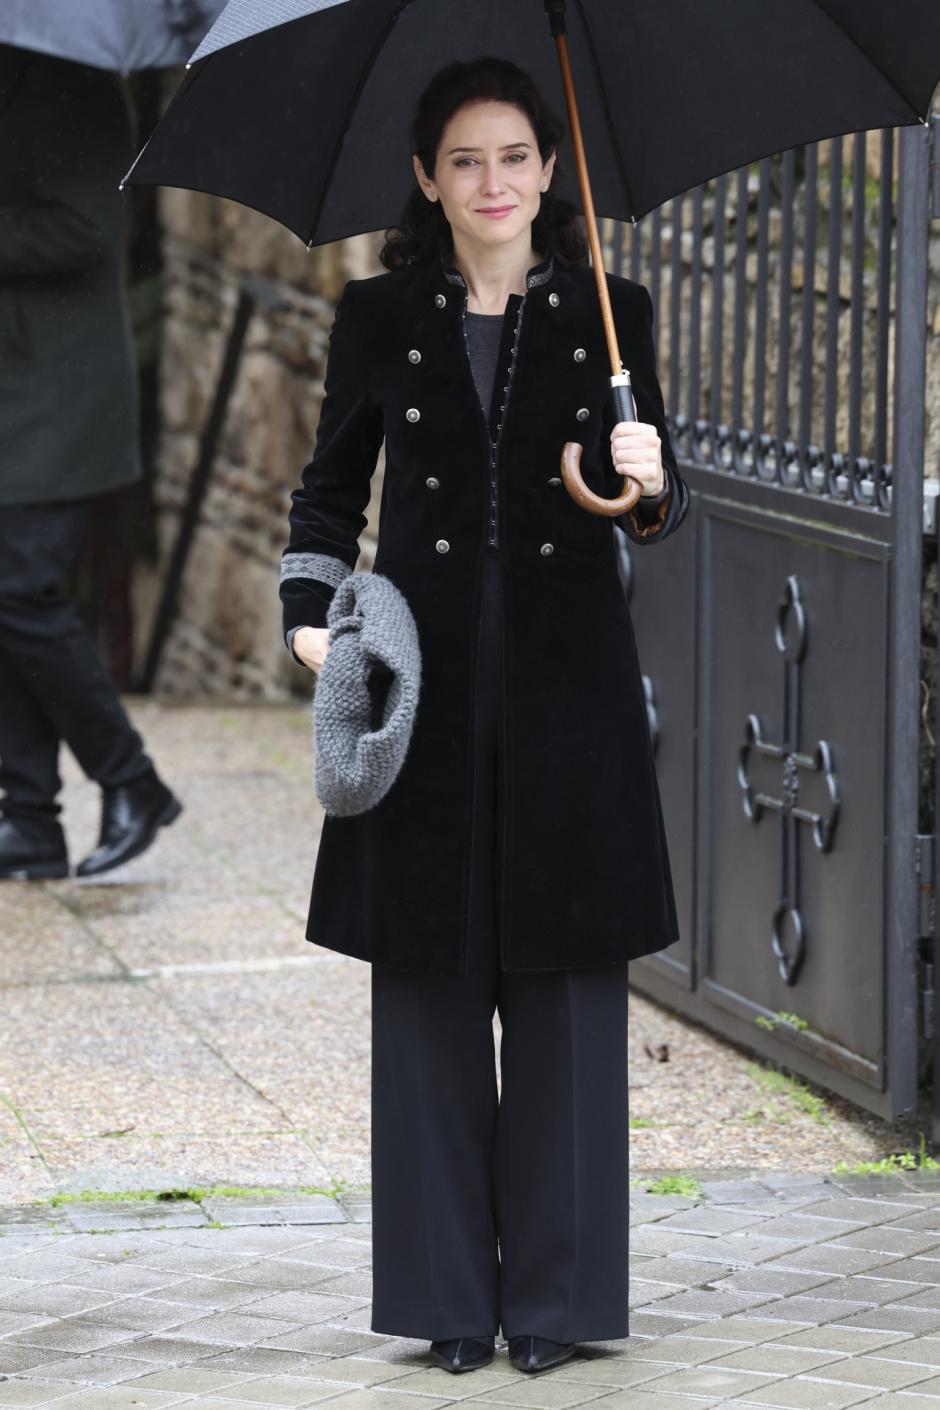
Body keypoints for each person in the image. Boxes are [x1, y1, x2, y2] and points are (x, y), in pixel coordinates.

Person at [280, 56, 690, 1376]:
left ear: (550, 169)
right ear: (427, 178)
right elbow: (326, 496)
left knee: (568, 991)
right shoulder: (378, 315)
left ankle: (558, 1302)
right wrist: (311, 622)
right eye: (465, 160)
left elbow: (653, 510)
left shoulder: (613, 315)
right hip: (426, 702)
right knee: (428, 995)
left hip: (572, 702)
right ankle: (448, 1297)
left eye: (514, 155)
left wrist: (649, 473)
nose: (492, 181)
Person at [0, 47, 181, 881]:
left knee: (19, 588)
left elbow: (86, 228)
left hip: (60, 392)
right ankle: (29, 821)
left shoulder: (76, 84)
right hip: (16, 387)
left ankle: (132, 780)